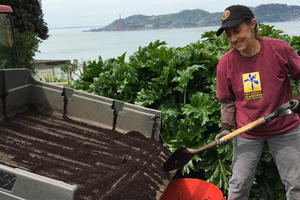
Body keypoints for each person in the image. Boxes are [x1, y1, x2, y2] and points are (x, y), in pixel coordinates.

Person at [214, 5, 300, 200]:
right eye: (228, 34)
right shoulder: (225, 63)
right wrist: (226, 128)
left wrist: (299, 99)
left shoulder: (279, 49)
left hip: (285, 128)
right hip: (247, 132)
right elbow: (227, 101)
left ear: (252, 24)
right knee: (238, 186)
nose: (233, 39)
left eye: (237, 31)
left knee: (296, 185)